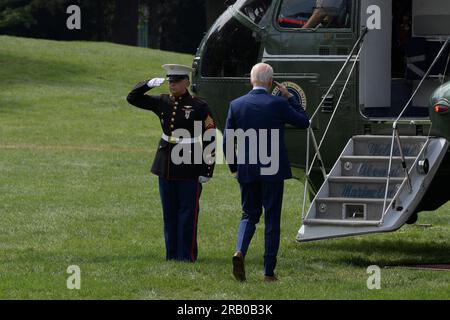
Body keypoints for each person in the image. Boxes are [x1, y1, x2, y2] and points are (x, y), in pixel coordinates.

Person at [223, 63, 310, 282]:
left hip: (247, 168)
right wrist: (290, 97)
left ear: (251, 79)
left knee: (248, 214)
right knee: (272, 219)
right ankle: (268, 272)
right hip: (273, 169)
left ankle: (240, 250)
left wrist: (234, 167)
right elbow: (304, 121)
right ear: (270, 82)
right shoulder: (278, 103)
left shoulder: (236, 104)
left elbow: (227, 141)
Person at [126, 64, 216, 263]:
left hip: (189, 163)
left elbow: (210, 136)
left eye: (176, 81)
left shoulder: (199, 105)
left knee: (188, 213)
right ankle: (172, 255)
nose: (172, 85)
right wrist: (147, 84)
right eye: (170, 82)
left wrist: (207, 169)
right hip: (165, 163)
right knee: (169, 212)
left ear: (186, 82)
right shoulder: (162, 101)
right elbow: (132, 98)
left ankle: (187, 255)